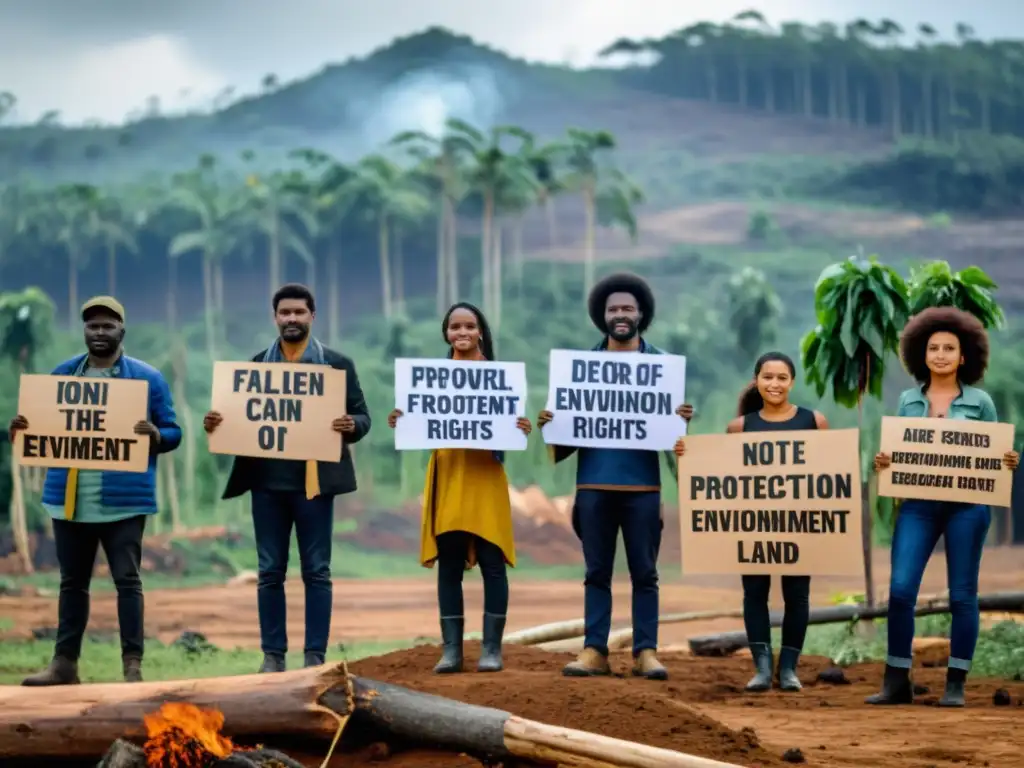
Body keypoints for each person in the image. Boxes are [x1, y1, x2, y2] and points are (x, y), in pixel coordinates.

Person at [10, 296, 182, 685]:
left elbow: (174, 432)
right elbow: (40, 428)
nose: (99, 332)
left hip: (124, 501)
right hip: (69, 500)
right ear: (84, 330)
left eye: (107, 326)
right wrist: (22, 430)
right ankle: (64, 663)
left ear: (122, 330)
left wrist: (156, 435)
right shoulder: (63, 375)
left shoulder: (147, 378)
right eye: (92, 326)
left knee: (127, 581)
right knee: (72, 583)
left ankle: (132, 666)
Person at [203, 283, 371, 673]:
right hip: (266, 486)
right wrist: (216, 423)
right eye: (285, 313)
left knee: (317, 571)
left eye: (299, 312)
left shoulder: (337, 365)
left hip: (314, 485)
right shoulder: (254, 368)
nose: (291, 319)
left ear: (313, 316)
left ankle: (315, 656)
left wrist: (351, 425)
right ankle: (272, 656)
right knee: (269, 572)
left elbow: (363, 417)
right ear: (275, 317)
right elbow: (232, 419)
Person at [538, 273, 692, 680]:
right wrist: (551, 423)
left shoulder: (661, 369)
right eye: (613, 310)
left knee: (645, 573)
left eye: (627, 308)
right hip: (593, 486)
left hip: (642, 487)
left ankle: (646, 651)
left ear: (641, 313)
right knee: (596, 573)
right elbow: (565, 439)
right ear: (602, 317)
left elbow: (673, 442)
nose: (620, 315)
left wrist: (681, 426)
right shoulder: (580, 370)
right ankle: (594, 650)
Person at [868, 307, 1019, 707]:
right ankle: (896, 679)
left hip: (967, 507)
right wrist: (886, 462)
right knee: (900, 591)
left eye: (949, 348)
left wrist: (1007, 461)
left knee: (962, 595)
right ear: (922, 354)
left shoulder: (981, 402)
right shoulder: (907, 400)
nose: (940, 355)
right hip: (918, 506)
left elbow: (993, 453)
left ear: (964, 356)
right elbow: (900, 452)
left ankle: (956, 683)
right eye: (933, 348)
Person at [388, 302, 531, 674]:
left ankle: (491, 649)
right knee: (449, 564)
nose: (462, 332)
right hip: (449, 472)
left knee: (492, 562)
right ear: (446, 333)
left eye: (470, 326)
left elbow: (510, 429)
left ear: (481, 330)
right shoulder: (430, 378)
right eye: (455, 327)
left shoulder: (500, 377)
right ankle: (451, 650)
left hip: (485, 475)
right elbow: (416, 421)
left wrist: (520, 427)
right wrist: (401, 419)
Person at [676, 351, 827, 692]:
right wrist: (690, 455)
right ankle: (761, 668)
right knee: (754, 593)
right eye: (768, 377)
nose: (774, 384)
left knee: (797, 596)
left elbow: (827, 471)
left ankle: (788, 670)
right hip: (753, 523)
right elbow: (724, 473)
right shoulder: (740, 427)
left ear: (792, 382)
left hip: (798, 523)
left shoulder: (814, 421)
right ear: (756, 381)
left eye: (782, 378)